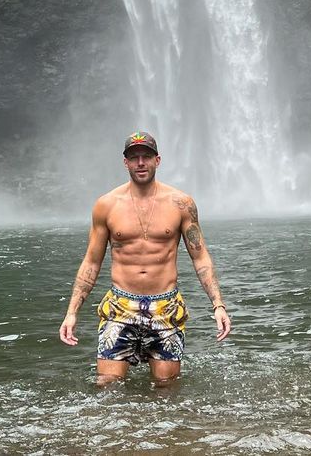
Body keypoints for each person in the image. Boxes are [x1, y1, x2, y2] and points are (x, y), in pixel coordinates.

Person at [58, 131, 231, 385]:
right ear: (125, 162)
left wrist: (218, 305)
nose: (140, 163)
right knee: (106, 385)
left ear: (157, 160)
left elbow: (200, 256)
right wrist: (71, 313)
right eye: (134, 157)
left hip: (166, 307)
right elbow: (92, 262)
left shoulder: (181, 204)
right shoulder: (106, 205)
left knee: (166, 388)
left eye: (146, 157)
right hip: (120, 307)